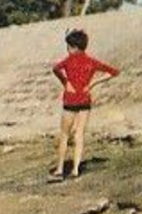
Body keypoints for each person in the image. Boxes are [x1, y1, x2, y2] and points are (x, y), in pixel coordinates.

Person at [50, 28, 119, 180]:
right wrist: (92, 84)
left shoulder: (68, 61)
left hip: (70, 98)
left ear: (73, 47)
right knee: (79, 134)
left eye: (68, 47)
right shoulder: (91, 61)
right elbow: (113, 72)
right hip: (84, 99)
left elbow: (55, 69)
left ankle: (60, 169)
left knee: (64, 135)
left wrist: (65, 82)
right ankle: (75, 169)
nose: (67, 50)